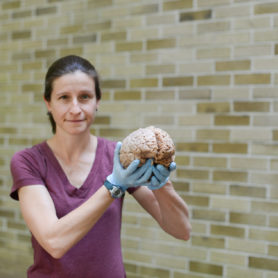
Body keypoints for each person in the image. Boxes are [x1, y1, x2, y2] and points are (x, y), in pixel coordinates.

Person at [10, 55, 191, 278]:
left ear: (97, 101)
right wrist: (113, 186)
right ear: (48, 103)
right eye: (64, 98)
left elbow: (181, 230)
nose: (75, 109)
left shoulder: (119, 157)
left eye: (84, 97)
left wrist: (162, 186)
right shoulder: (29, 161)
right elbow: (54, 241)